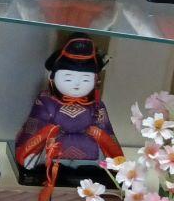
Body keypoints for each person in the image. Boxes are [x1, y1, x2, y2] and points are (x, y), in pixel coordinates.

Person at [14, 36, 122, 173]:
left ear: (96, 81)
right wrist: (47, 133)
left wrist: (115, 157)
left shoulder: (96, 105)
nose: (77, 84)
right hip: (53, 154)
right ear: (52, 77)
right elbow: (34, 127)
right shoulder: (46, 101)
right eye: (68, 79)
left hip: (90, 158)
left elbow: (106, 131)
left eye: (85, 79)